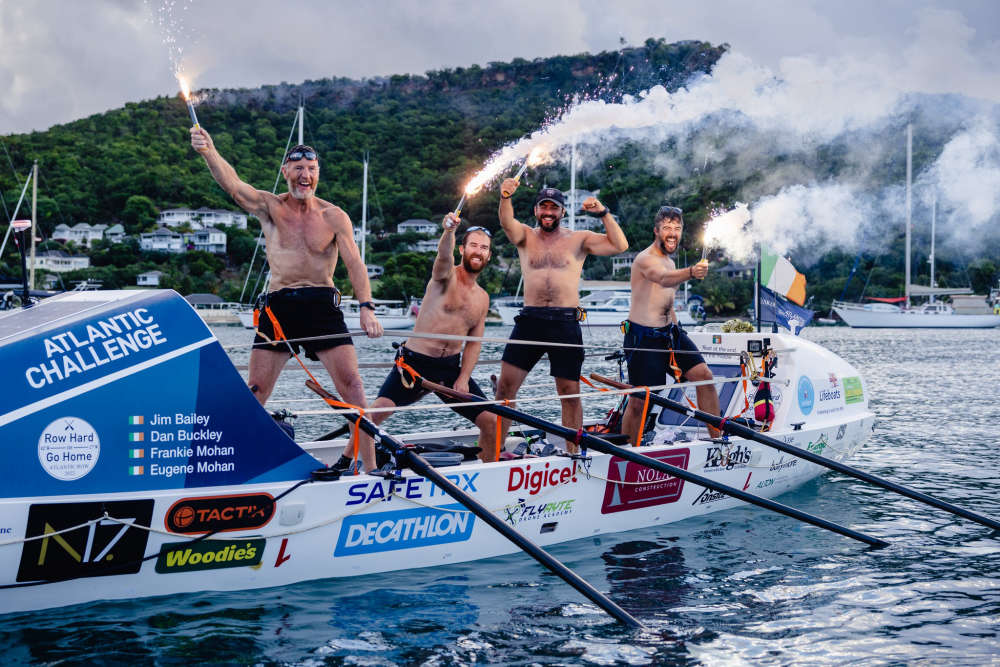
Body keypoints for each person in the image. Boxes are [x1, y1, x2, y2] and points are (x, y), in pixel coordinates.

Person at [190, 130, 382, 471]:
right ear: (285, 172)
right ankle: (229, 465)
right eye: (298, 169)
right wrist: (209, 152)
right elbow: (234, 186)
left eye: (311, 168)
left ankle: (370, 468)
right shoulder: (271, 207)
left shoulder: (334, 216)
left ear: (318, 173)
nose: (304, 175)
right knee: (256, 388)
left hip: (322, 306)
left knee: (353, 386)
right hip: (279, 308)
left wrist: (366, 307)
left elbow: (354, 263)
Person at [495, 182, 629, 452]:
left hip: (565, 322)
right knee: (505, 388)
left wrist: (603, 213)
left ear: (562, 211)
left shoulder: (577, 239)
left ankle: (573, 453)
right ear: (535, 210)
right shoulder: (525, 236)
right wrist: (505, 195)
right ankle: (495, 450)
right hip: (530, 320)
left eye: (553, 207)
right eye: (543, 206)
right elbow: (506, 221)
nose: (548, 212)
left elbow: (619, 245)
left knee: (569, 392)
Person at [370, 214, 498, 461]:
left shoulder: (482, 298)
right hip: (414, 364)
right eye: (473, 245)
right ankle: (351, 462)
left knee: (491, 421)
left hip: (449, 369)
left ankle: (487, 472)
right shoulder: (444, 277)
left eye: (484, 248)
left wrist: (463, 377)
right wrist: (448, 232)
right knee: (375, 414)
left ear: (489, 255)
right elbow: (443, 257)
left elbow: (474, 344)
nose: (478, 251)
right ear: (463, 249)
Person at [621, 206, 720, 445]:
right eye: (667, 228)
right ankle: (627, 450)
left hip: (671, 334)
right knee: (641, 399)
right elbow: (662, 279)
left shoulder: (669, 261)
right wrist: (691, 272)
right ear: (656, 231)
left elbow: (667, 301)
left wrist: (678, 330)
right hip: (643, 337)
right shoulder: (646, 259)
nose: (672, 232)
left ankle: (718, 439)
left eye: (677, 228)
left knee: (704, 377)